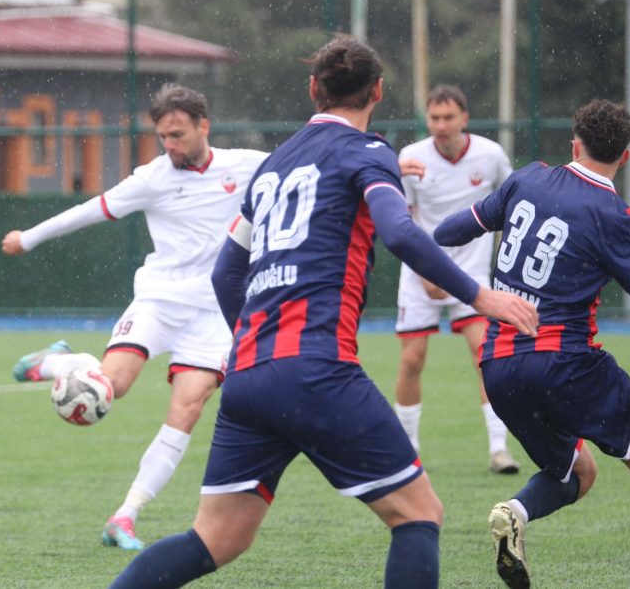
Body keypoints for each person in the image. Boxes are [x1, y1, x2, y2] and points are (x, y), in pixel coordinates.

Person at [108, 35, 539, 588]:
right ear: (378, 91)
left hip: (247, 375)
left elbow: (225, 273)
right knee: (419, 514)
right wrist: (482, 295)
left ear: (313, 89)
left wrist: (252, 342)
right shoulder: (367, 152)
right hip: (316, 367)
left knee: (214, 539)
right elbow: (399, 231)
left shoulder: (272, 165)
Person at [433, 99, 630, 589]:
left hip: (497, 366)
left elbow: (447, 232)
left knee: (575, 473)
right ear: (624, 157)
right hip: (564, 362)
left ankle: (514, 510)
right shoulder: (618, 218)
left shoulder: (526, 179)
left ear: (574, 144)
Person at [1, 84, 269, 551]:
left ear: (204, 127)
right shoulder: (153, 177)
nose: (170, 145)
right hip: (160, 300)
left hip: (214, 313)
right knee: (113, 386)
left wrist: (394, 164)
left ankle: (124, 517)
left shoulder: (246, 165)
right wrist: (29, 237)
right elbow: (90, 210)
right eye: (163, 136)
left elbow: (313, 165)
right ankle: (59, 363)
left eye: (178, 134)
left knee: (188, 407)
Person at [394, 84, 519, 473]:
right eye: (434, 118)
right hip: (421, 274)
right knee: (412, 359)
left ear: (464, 118)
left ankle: (499, 450)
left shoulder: (491, 155)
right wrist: (424, 269)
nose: (441, 125)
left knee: (486, 357)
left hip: (472, 274)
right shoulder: (411, 158)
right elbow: (400, 220)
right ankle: (407, 453)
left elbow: (514, 205)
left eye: (449, 117)